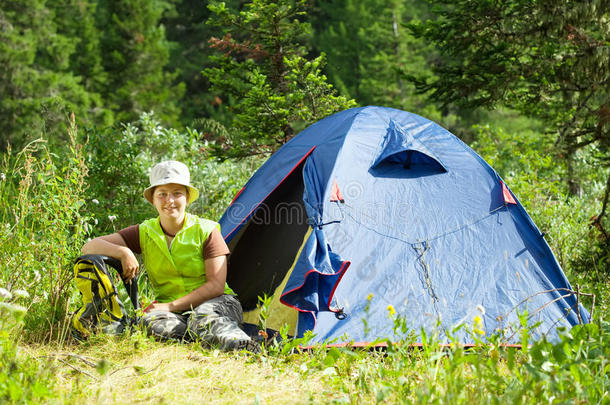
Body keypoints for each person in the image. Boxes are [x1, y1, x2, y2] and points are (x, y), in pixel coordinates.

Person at [82, 160, 258, 351]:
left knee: (203, 317)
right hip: (175, 313)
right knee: (147, 323)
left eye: (177, 193)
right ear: (153, 200)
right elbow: (89, 246)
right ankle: (201, 337)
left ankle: (242, 346)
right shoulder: (144, 231)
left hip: (217, 304)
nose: (170, 201)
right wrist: (123, 251)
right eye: (162, 194)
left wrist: (169, 306)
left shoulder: (206, 230)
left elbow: (215, 286)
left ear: (188, 197)